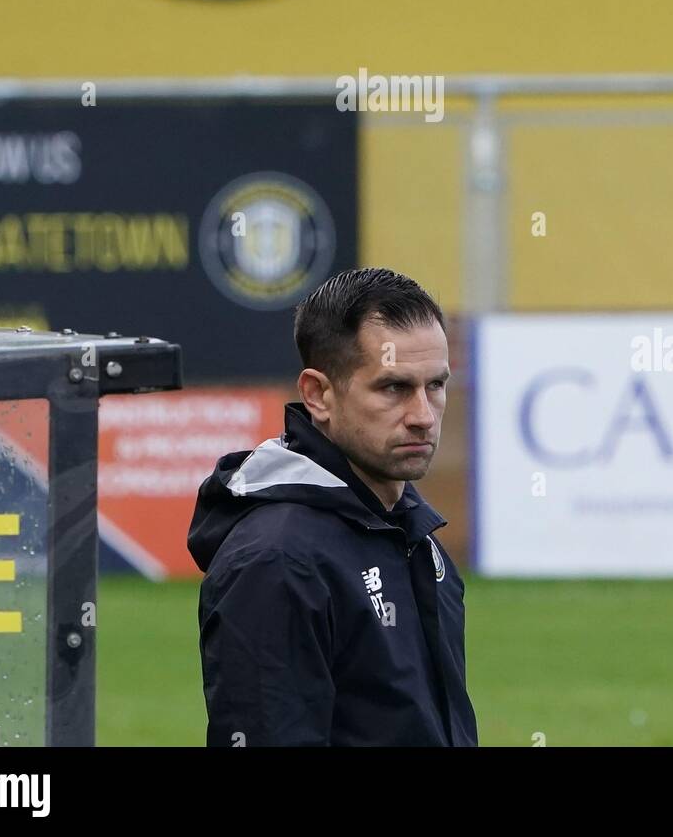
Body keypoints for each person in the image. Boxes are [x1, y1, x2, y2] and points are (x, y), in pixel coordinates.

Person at [187, 266, 478, 747]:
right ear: (318, 394)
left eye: (436, 386)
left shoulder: (414, 536)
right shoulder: (277, 560)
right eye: (394, 388)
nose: (423, 416)